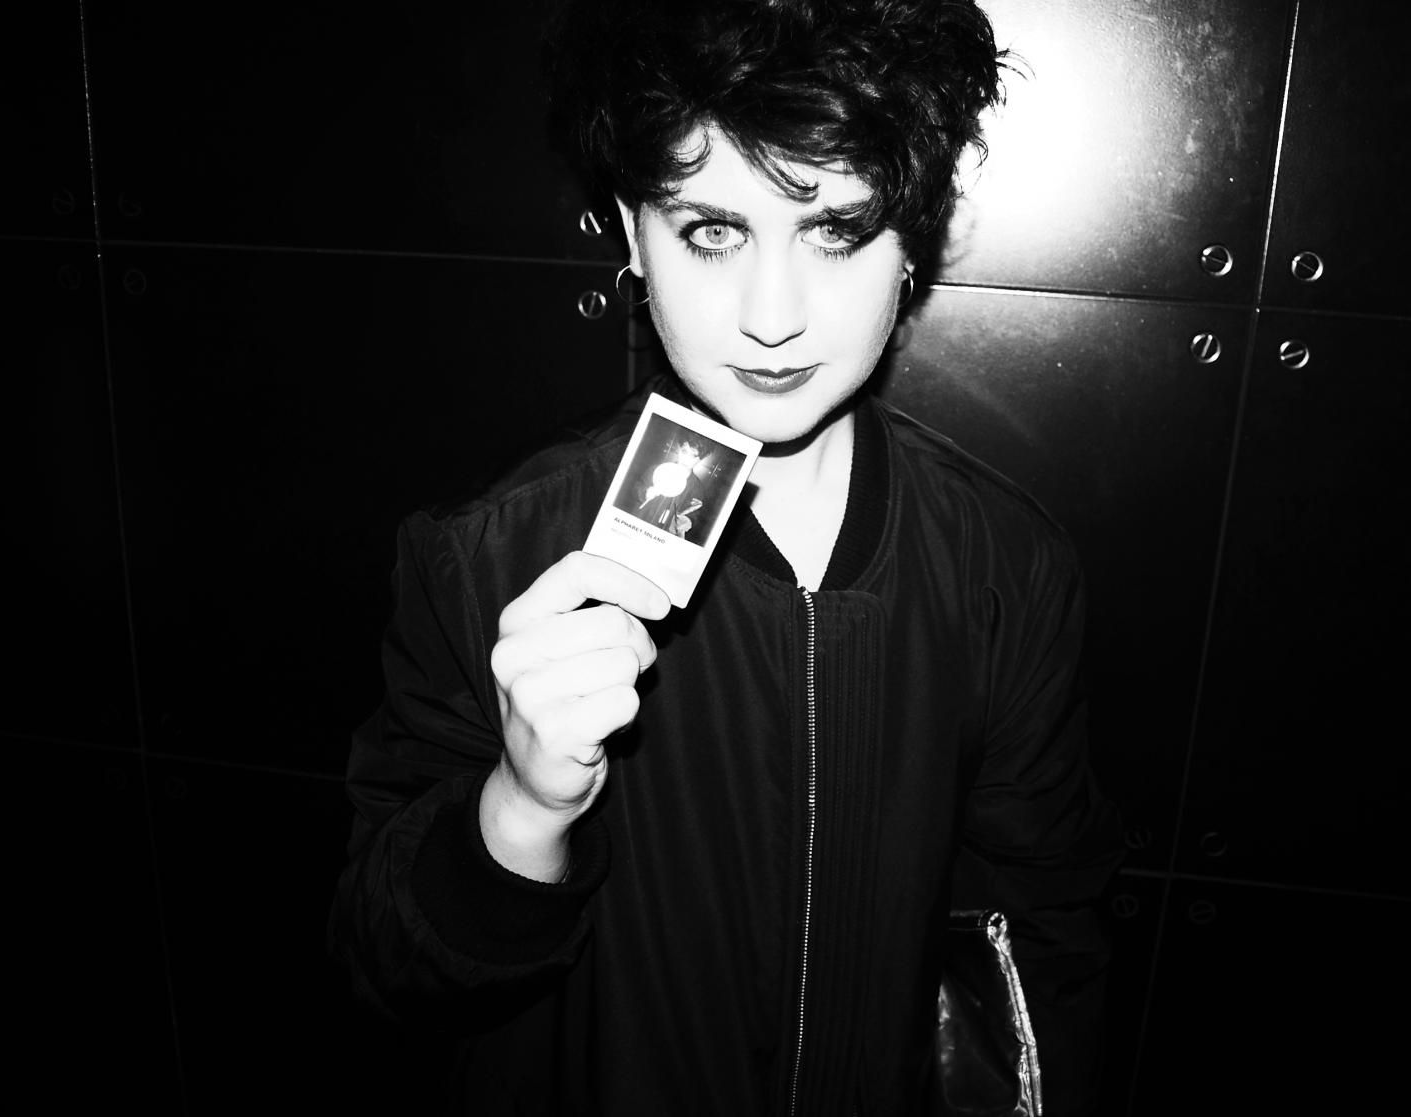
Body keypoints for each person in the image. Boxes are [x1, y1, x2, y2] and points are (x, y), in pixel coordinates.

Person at [329, 1, 1123, 1113]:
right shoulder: (491, 552)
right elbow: (384, 974)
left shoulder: (1002, 562)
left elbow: (1034, 950)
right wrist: (518, 809)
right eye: (712, 231)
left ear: (911, 243)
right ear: (631, 235)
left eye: (835, 230)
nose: (771, 315)